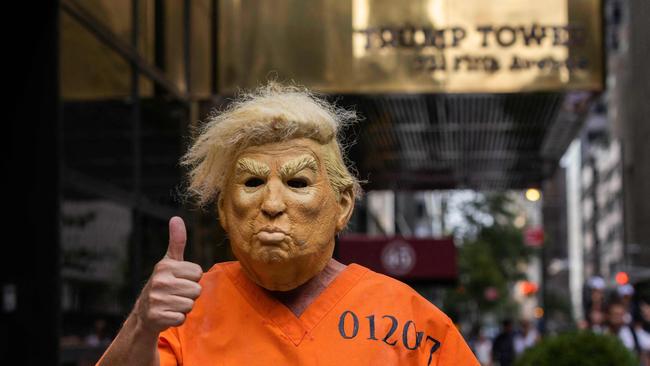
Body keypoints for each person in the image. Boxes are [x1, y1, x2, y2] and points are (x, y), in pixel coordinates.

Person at [97, 83, 479, 365]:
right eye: (252, 183)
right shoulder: (183, 312)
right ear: (225, 211)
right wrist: (142, 324)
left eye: (297, 183)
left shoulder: (409, 319)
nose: (273, 204)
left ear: (342, 205)